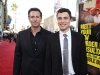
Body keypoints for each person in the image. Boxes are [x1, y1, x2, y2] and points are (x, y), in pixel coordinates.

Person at [45, 8, 87, 75]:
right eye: (59, 18)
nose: (62, 21)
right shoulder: (51, 39)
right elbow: (48, 62)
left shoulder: (79, 38)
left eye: (65, 18)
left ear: (70, 19)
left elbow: (83, 61)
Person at [13, 8, 52, 75]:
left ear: (41, 19)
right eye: (32, 17)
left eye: (37, 17)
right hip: (26, 72)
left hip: (43, 72)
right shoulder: (21, 35)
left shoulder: (50, 35)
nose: (35, 19)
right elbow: (18, 57)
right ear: (29, 19)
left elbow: (52, 58)